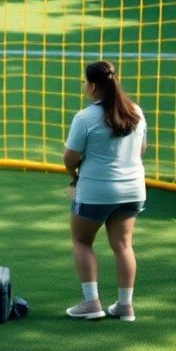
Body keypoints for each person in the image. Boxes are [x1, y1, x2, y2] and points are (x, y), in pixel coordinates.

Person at [63, 61, 147, 321]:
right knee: (123, 245)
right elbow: (141, 149)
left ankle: (91, 303)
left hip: (96, 192)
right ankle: (125, 306)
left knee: (81, 241)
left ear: (94, 86)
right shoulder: (136, 111)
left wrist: (73, 176)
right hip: (133, 190)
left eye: (85, 82)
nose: (84, 86)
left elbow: (70, 157)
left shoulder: (85, 117)